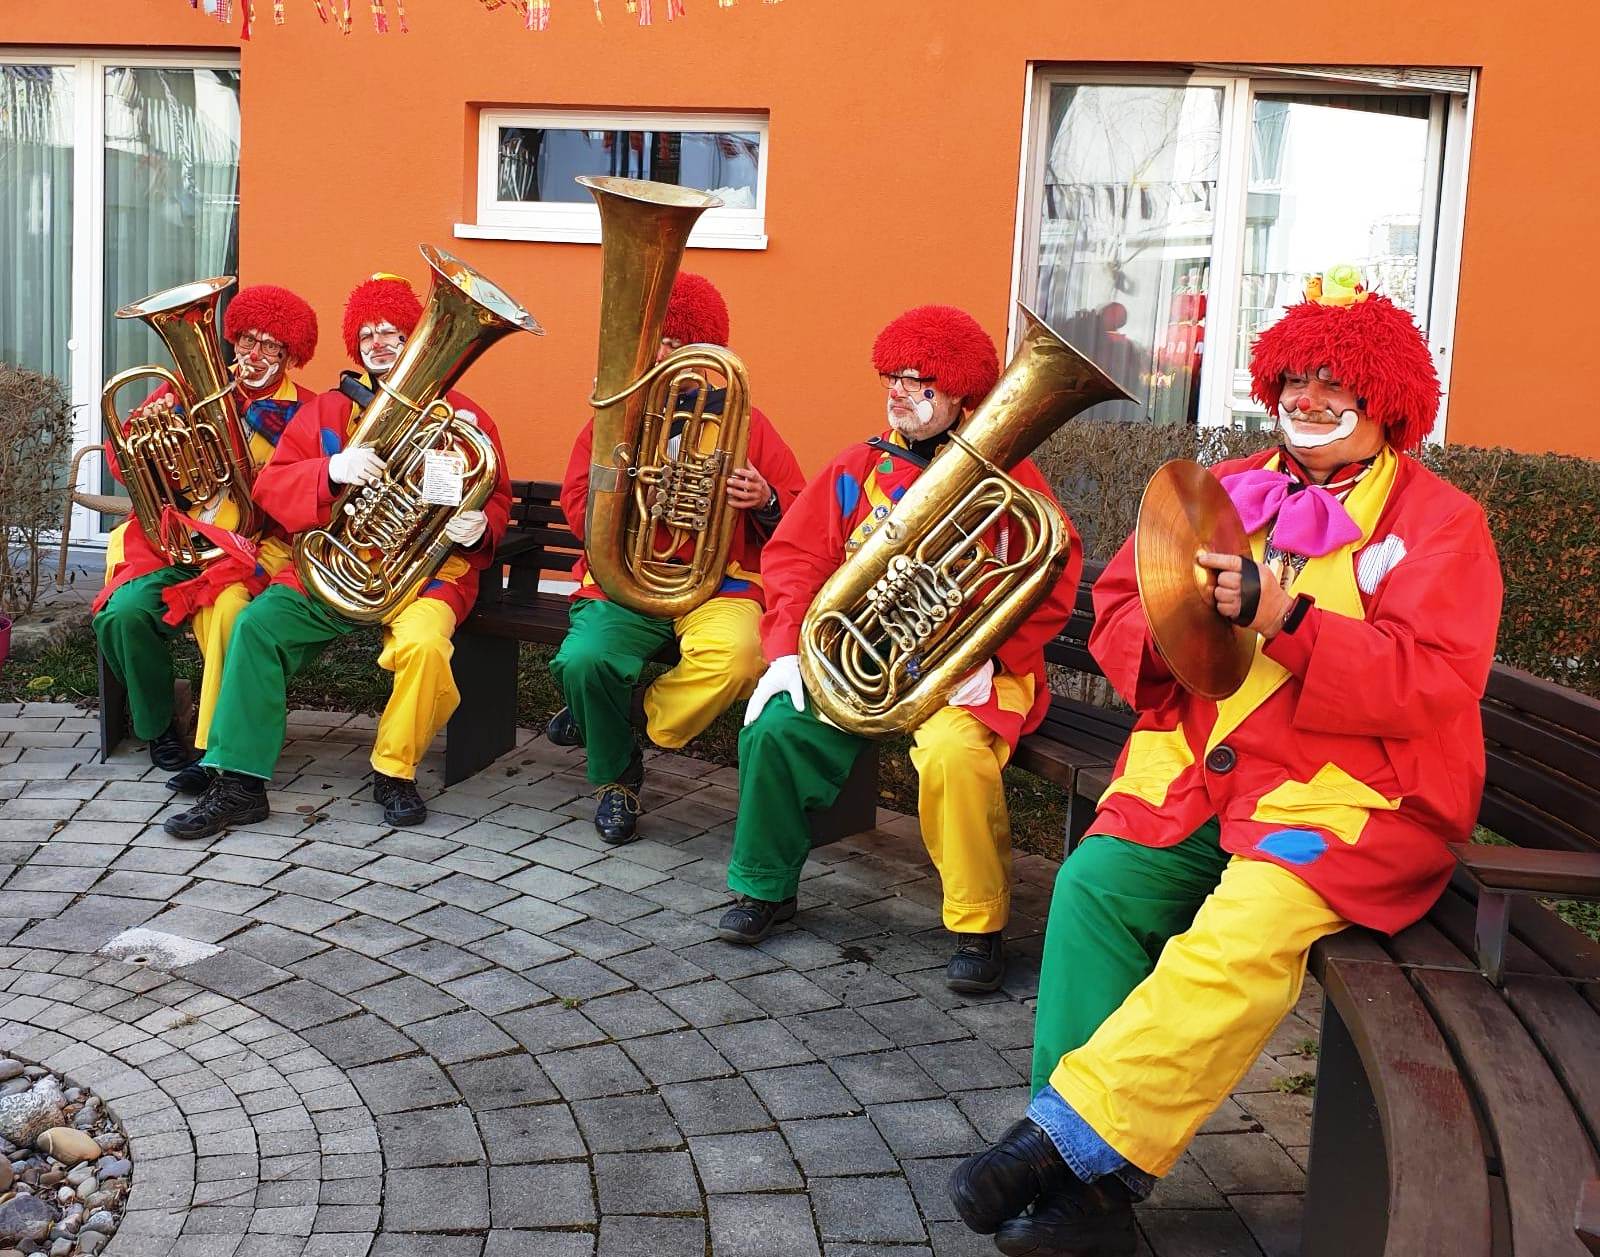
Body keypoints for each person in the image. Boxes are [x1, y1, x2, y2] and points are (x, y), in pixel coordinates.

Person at [948, 270, 1503, 1256]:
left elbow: (1431, 681)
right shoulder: (1223, 488)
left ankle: (1057, 1149)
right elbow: (1121, 613)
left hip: (1351, 804)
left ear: (1387, 399)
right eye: (1295, 376)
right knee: (1092, 888)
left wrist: (1288, 619)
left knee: (1243, 930)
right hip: (1205, 780)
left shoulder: (1439, 523)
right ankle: (1088, 1198)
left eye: (1337, 382)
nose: (1309, 397)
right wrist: (1172, 635)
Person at [714, 305, 1080, 994]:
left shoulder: (1012, 477)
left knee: (954, 755)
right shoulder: (858, 466)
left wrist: (989, 660)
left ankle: (979, 924)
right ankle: (764, 886)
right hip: (862, 662)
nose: (898, 392)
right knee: (777, 730)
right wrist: (786, 649)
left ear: (960, 392)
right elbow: (795, 559)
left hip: (966, 671)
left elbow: (1050, 582)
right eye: (892, 377)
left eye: (918, 381)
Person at [163, 273, 512, 838]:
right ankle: (239, 784)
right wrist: (330, 470)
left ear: (416, 338)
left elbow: (495, 496)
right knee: (256, 626)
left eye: (391, 331)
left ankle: (394, 772)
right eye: (367, 333)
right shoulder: (327, 410)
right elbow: (271, 488)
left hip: (423, 575)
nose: (378, 342)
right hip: (333, 566)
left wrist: (480, 527)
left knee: (425, 646)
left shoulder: (463, 416)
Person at [548, 273, 806, 845]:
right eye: (657, 342)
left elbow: (798, 510)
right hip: (628, 579)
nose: (664, 355)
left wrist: (764, 499)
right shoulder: (615, 418)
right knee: (584, 660)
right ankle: (617, 780)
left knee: (739, 660)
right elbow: (576, 502)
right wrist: (630, 492)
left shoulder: (746, 422)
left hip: (717, 584)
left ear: (702, 350)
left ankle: (617, 723)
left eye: (677, 342)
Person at [93, 284, 318, 789]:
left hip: (251, 548)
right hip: (176, 543)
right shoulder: (185, 390)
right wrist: (147, 441)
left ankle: (216, 745)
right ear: (233, 340)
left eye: (271, 345)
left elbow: (308, 494)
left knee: (229, 617)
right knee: (123, 615)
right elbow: (122, 463)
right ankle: (157, 726)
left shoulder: (307, 411)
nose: (254, 354)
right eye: (247, 340)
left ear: (291, 355)